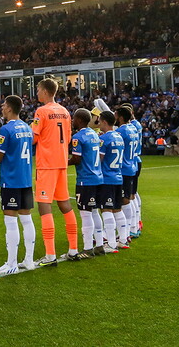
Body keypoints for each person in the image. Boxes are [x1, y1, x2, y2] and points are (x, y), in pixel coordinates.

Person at [32, 78, 79, 265]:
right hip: (61, 163)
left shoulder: (41, 111)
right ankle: (73, 249)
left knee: (44, 206)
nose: (36, 93)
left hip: (47, 164)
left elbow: (34, 137)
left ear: (44, 91)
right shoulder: (65, 111)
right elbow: (67, 139)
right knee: (65, 205)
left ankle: (50, 254)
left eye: (38, 90)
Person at [0, 95, 37, 275]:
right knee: (26, 219)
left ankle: (11, 262)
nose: (2, 108)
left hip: (11, 180)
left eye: (4, 105)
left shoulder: (6, 129)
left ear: (10, 108)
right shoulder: (28, 129)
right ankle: (29, 259)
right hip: (26, 180)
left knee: (10, 221)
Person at [68, 108, 103, 258]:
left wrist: (62, 162)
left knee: (85, 213)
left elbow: (76, 159)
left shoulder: (78, 137)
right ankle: (100, 245)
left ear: (80, 120)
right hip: (98, 178)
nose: (72, 121)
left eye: (74, 118)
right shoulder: (94, 134)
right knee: (95, 211)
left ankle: (88, 248)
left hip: (86, 180)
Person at [97, 111, 126, 253]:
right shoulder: (119, 137)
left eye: (100, 121)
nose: (98, 123)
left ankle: (111, 244)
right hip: (118, 177)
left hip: (107, 178)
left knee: (106, 209)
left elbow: (99, 158)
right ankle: (123, 240)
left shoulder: (105, 139)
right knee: (117, 208)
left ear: (104, 122)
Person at [115, 106, 140, 248]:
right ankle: (133, 227)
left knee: (124, 201)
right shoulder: (132, 129)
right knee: (131, 197)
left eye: (116, 115)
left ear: (121, 117)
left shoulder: (121, 131)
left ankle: (128, 231)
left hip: (123, 169)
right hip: (132, 165)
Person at [121, 102, 144, 237]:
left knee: (128, 197)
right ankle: (136, 223)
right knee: (133, 194)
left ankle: (132, 227)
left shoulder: (128, 128)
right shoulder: (137, 126)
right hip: (135, 160)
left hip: (129, 162)